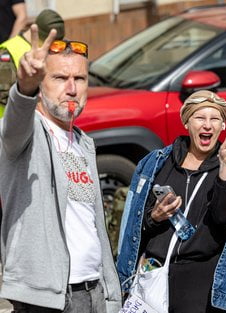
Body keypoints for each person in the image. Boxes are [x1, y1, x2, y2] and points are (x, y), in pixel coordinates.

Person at [0, 25, 121, 312]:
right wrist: (24, 87)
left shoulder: (83, 143)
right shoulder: (26, 134)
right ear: (41, 84)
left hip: (93, 291)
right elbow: (14, 125)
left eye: (79, 78)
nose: (72, 88)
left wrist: (109, 291)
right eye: (60, 77)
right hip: (47, 298)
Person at [117, 90, 226, 313]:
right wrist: (154, 217)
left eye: (215, 119)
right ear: (187, 123)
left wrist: (225, 168)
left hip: (201, 285)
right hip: (152, 276)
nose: (207, 125)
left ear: (222, 127)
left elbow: (224, 220)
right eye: (200, 118)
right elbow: (132, 224)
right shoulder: (155, 164)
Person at [0, 8, 65, 112]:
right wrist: (29, 88)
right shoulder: (7, 53)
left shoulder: (46, 51)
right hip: (10, 124)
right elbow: (4, 97)